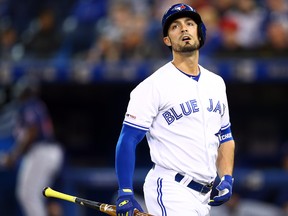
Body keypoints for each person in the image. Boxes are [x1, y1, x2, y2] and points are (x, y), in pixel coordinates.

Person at [115, 3, 235, 216]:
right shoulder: (153, 86)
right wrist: (125, 191)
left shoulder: (216, 83)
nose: (184, 29)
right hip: (171, 188)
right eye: (175, 26)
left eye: (190, 23)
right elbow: (128, 139)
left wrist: (226, 177)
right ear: (167, 40)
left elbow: (225, 137)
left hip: (204, 196)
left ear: (200, 33)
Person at [0, 76, 64, 216]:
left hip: (42, 150)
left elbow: (32, 131)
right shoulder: (36, 105)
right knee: (29, 194)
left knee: (29, 195)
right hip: (46, 151)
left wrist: (14, 155)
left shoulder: (30, 105)